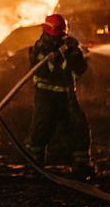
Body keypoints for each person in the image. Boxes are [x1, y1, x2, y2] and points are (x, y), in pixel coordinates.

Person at [26, 13, 94, 181]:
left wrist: (74, 55)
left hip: (67, 94)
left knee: (78, 126)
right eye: (56, 35)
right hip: (46, 95)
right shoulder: (40, 48)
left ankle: (81, 165)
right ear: (48, 33)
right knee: (41, 127)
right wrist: (58, 59)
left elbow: (79, 69)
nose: (59, 38)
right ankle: (34, 164)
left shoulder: (67, 46)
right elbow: (47, 70)